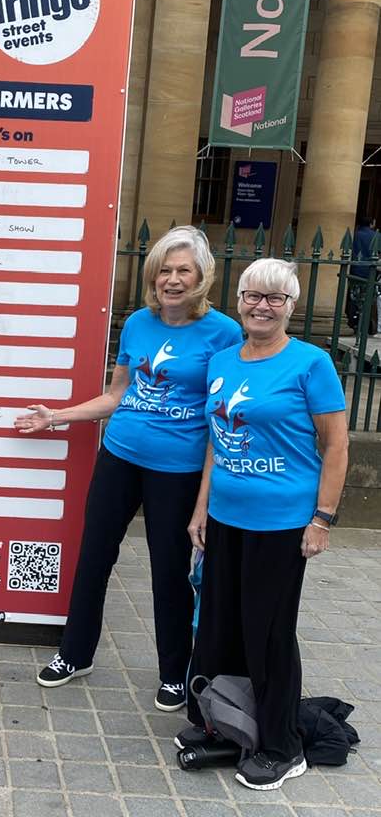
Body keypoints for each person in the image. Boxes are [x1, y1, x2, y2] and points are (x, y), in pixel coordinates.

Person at [15, 226, 241, 711]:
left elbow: (220, 421)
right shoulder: (138, 323)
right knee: (94, 555)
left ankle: (174, 673)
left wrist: (204, 499)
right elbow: (118, 394)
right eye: (164, 270)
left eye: (183, 270)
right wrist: (56, 416)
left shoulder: (224, 333)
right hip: (118, 456)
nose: (172, 279)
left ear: (202, 277)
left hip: (177, 471)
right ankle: (75, 653)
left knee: (169, 570)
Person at [180, 258, 348, 791]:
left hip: (281, 524)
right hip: (226, 517)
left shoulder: (311, 363)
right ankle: (226, 720)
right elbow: (217, 441)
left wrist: (322, 519)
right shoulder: (222, 361)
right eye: (253, 295)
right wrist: (202, 508)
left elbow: (336, 446)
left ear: (291, 306)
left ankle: (281, 746)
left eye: (276, 298)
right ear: (239, 302)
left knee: (268, 634)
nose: (262, 306)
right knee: (219, 626)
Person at [346, 212, 378, 335]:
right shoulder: (376, 235)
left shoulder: (355, 234)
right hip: (370, 270)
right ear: (372, 223)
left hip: (356, 269)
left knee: (354, 296)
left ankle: (352, 321)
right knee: (368, 298)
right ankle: (364, 323)